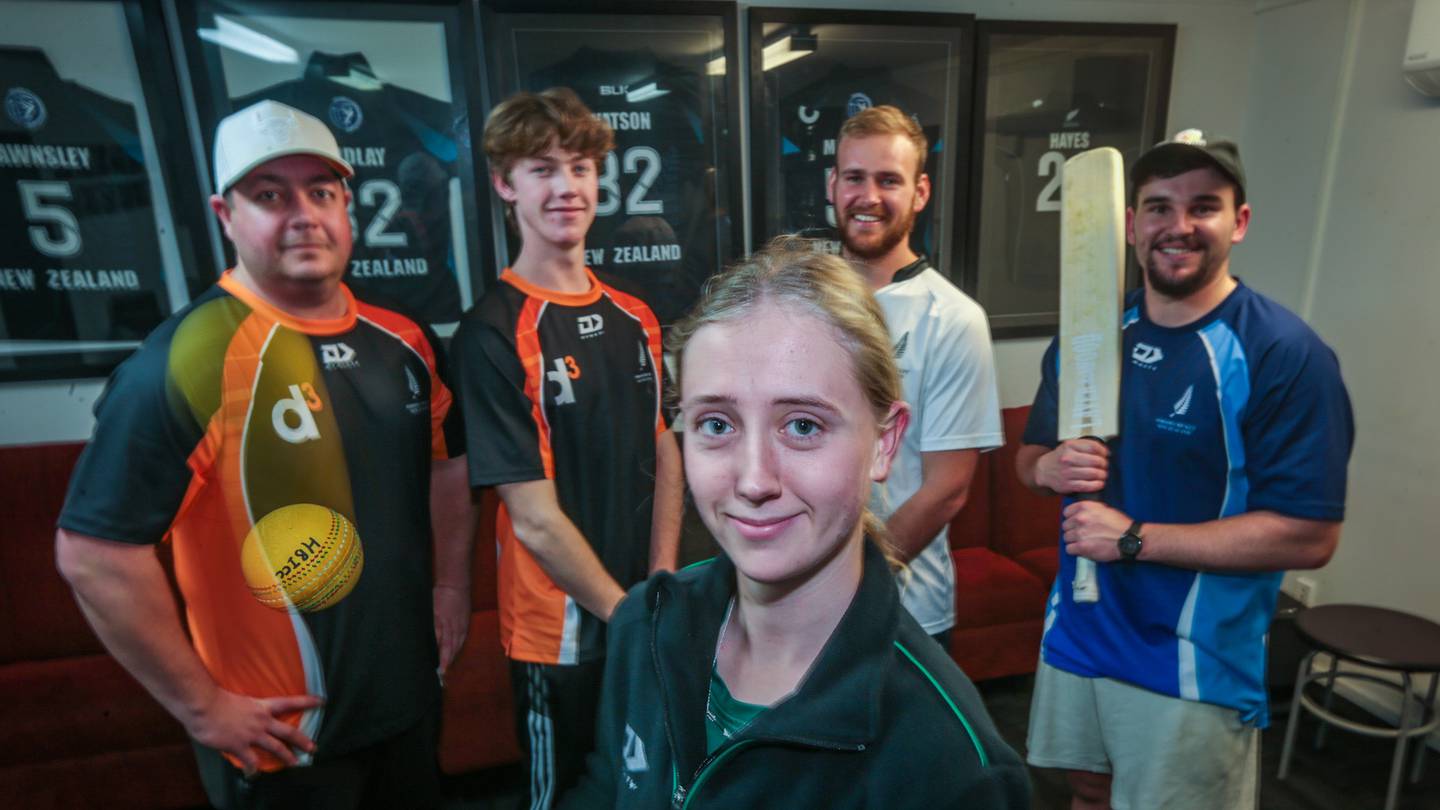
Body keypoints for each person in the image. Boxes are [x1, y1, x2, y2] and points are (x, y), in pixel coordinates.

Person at [54, 99, 475, 808]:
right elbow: (93, 555)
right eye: (270, 195)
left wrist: (452, 587)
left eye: (320, 192)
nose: (303, 214)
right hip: (284, 741)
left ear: (347, 203)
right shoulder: (187, 360)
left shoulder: (405, 339)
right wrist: (201, 708)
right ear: (226, 215)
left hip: (405, 705)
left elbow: (448, 465)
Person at [559, 241, 1031, 809]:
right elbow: (605, 788)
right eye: (716, 423)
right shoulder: (647, 625)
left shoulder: (949, 765)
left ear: (884, 443)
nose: (754, 480)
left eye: (802, 426)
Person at [1016, 129, 1354, 810]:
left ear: (1240, 222)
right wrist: (1048, 466)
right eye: (1160, 207)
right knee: (1088, 792)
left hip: (1191, 657)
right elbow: (1028, 460)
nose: (1180, 226)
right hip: (1082, 627)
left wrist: (1135, 537)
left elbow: (1309, 536)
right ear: (1133, 224)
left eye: (1204, 206)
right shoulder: (1091, 333)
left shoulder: (1283, 354)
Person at [452, 88, 683, 810]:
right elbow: (535, 518)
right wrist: (627, 617)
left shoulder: (635, 313)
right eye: (543, 169)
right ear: (504, 185)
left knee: (646, 789)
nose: (566, 188)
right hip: (560, 635)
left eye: (580, 168)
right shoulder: (491, 330)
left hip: (640, 608)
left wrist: (663, 584)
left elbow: (666, 449)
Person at [827, 104, 1004, 651]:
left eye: (889, 180)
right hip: (800, 607)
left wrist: (845, 587)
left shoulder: (952, 317)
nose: (869, 197)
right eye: (855, 177)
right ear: (832, 184)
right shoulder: (804, 297)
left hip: (904, 611)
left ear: (920, 192)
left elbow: (947, 490)